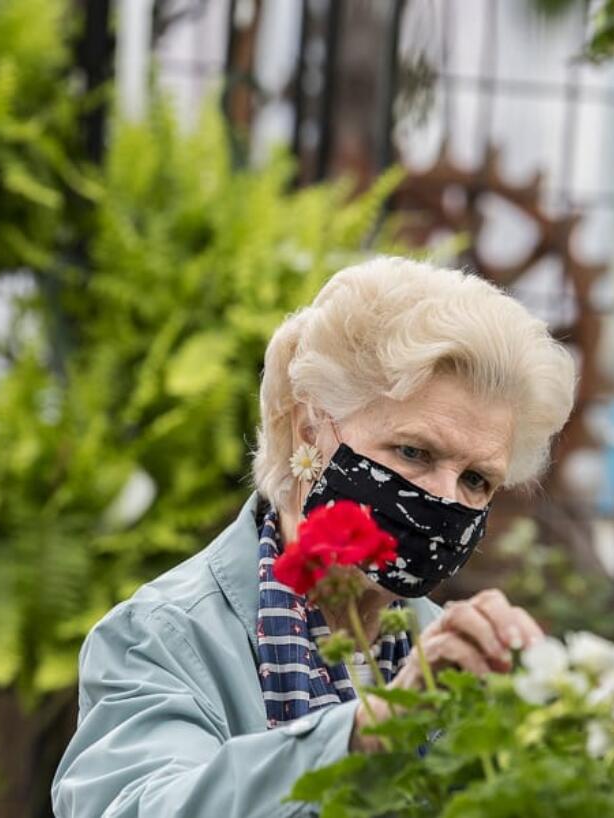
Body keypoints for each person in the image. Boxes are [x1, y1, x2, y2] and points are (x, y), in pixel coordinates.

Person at [52, 257, 576, 817]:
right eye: (414, 452)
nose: (447, 499)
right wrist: (366, 733)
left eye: (477, 479)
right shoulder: (162, 637)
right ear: (310, 431)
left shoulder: (454, 663)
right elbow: (137, 806)